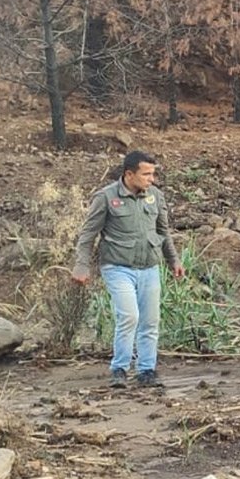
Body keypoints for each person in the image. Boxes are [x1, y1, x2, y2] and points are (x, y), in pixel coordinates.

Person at [72, 151, 184, 388]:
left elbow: (163, 232)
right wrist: (81, 266)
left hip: (149, 267)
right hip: (117, 267)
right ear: (129, 174)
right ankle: (119, 369)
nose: (151, 179)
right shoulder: (106, 197)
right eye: (146, 174)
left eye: (153, 174)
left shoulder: (155, 196)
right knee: (129, 316)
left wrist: (173, 260)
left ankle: (146, 371)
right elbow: (88, 235)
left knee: (150, 321)